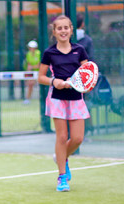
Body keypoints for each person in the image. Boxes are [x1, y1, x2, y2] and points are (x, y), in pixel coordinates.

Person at [37, 15, 90, 192]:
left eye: (66, 28)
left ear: (71, 30)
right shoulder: (49, 53)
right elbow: (41, 77)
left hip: (76, 98)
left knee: (77, 138)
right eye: (59, 28)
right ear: (54, 32)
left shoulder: (80, 50)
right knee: (61, 137)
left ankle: (61, 156)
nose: (63, 31)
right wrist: (54, 81)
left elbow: (87, 72)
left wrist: (85, 84)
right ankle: (62, 177)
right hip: (57, 99)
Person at [23, 40, 40, 104]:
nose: (30, 48)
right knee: (30, 84)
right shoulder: (28, 54)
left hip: (41, 73)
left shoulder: (39, 53)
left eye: (32, 47)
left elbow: (39, 65)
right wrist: (28, 74)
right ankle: (27, 99)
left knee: (45, 86)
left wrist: (32, 67)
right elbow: (29, 65)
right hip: (32, 73)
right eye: (29, 47)